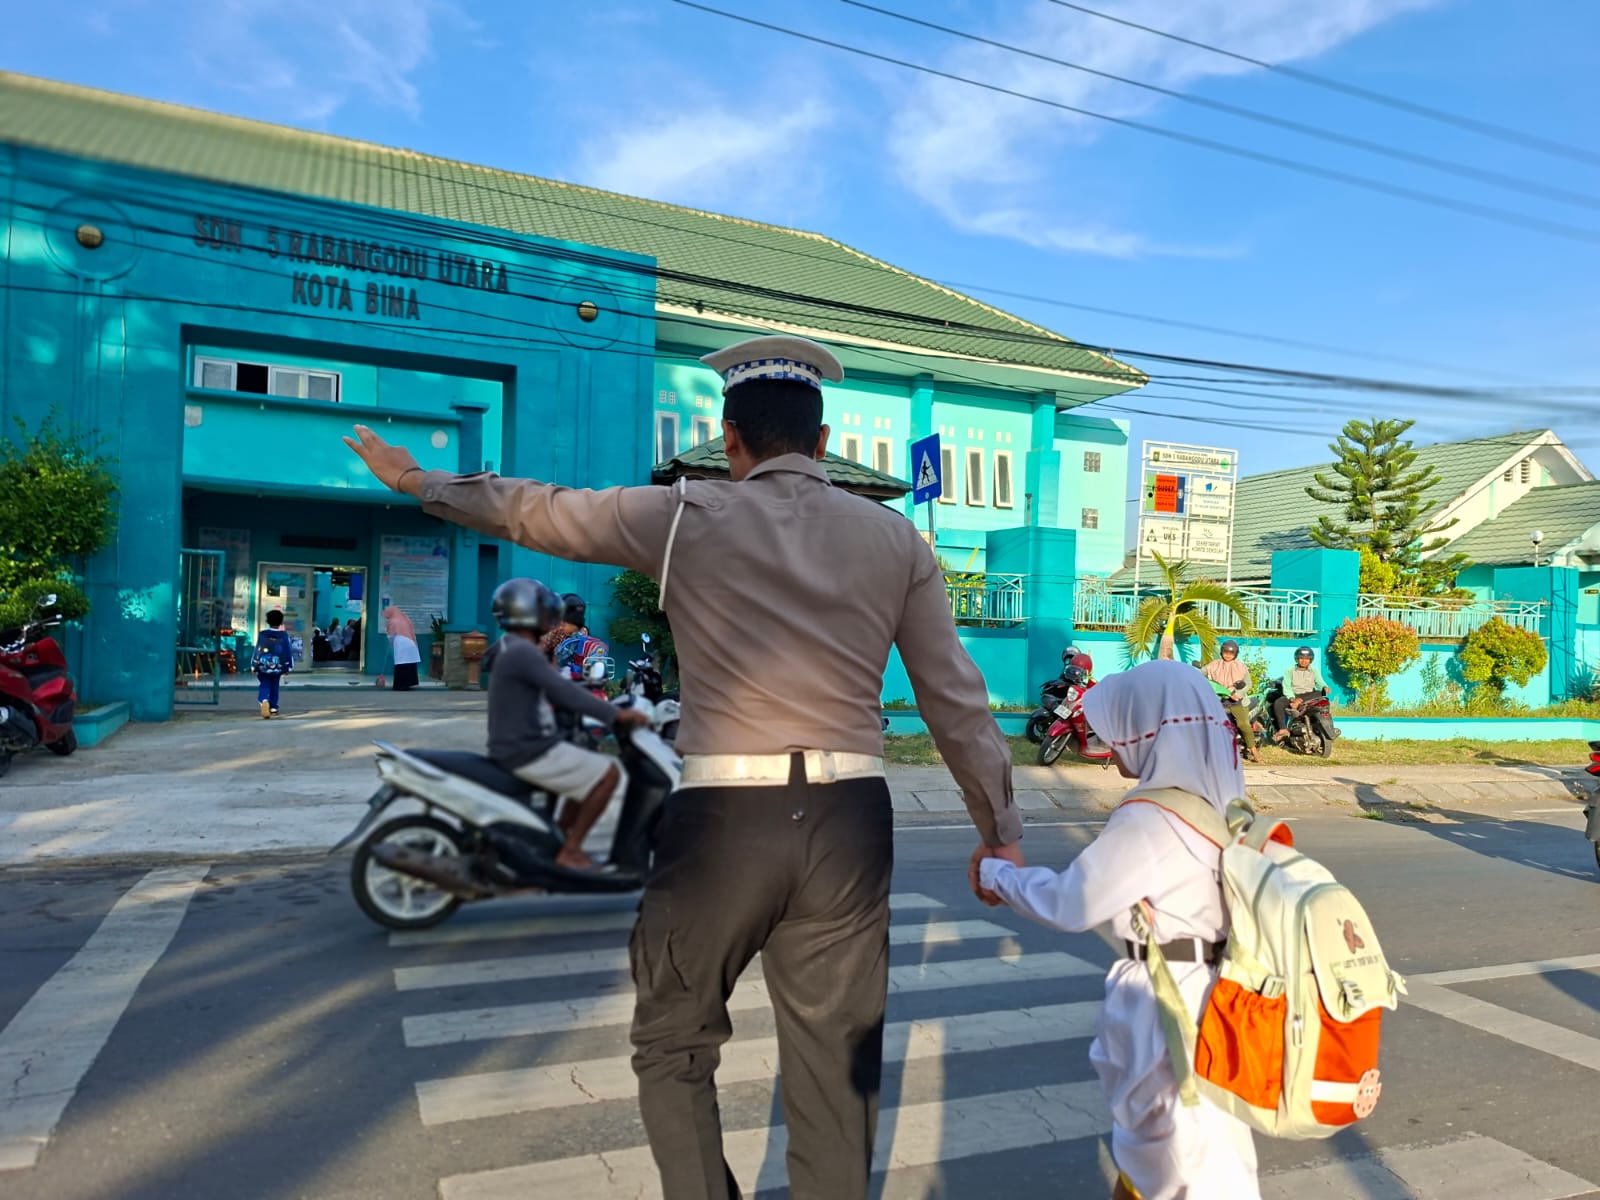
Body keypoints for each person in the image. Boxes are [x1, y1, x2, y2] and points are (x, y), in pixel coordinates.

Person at [343, 332, 1019, 1200]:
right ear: (821, 443)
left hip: (725, 819)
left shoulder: (682, 515)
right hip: (852, 818)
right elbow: (956, 702)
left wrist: (416, 480)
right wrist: (999, 830)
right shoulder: (897, 540)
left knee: (675, 1040)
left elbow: (539, 509)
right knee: (835, 1061)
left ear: (730, 439)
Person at [975, 660, 1260, 1200]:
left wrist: (998, 875)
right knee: (1211, 1159)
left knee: (1174, 1162)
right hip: (1218, 1000)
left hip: (1167, 1011)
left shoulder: (1153, 818)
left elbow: (1070, 903)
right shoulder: (1228, 807)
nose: (1112, 744)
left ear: (1150, 728)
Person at [482, 577, 650, 869]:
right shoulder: (524, 651)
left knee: (586, 771)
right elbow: (561, 690)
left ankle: (555, 838)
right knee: (608, 774)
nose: (555, 622)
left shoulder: (511, 646)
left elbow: (554, 681)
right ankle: (569, 851)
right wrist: (615, 714)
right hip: (527, 747)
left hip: (519, 741)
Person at [1199, 639, 1259, 762]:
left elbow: (1248, 684)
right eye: (1226, 652)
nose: (1228, 655)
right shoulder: (1214, 665)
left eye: (1231, 653)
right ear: (1222, 652)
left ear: (1235, 654)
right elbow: (1200, 674)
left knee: (1243, 724)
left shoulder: (1241, 666)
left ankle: (1254, 750)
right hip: (1220, 700)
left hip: (1238, 701)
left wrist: (1238, 694)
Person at [1272, 645, 1329, 743]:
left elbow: (1319, 681)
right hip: (1294, 695)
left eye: (1307, 659)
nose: (1304, 661)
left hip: (1309, 695)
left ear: (1311, 660)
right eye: (1301, 658)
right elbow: (1287, 686)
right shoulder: (1290, 670)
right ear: (1297, 659)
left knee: (1321, 693)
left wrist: (1325, 687)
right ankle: (1283, 729)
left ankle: (1300, 703)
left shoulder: (1314, 670)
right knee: (1278, 703)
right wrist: (1292, 698)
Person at [250, 608, 294, 719]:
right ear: (281, 622)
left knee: (264, 683)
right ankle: (273, 707)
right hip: (278, 666)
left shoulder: (263, 634)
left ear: (267, 621)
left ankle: (264, 699)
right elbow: (288, 651)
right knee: (275, 684)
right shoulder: (284, 635)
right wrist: (289, 666)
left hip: (263, 665)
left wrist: (253, 665)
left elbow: (257, 650)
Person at [384, 607, 421, 691]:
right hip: (411, 642)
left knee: (401, 664)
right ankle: (409, 683)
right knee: (410, 663)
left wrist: (391, 644)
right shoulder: (406, 619)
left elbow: (390, 635)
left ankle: (400, 685)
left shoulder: (393, 621)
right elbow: (412, 631)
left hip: (400, 643)